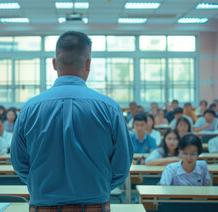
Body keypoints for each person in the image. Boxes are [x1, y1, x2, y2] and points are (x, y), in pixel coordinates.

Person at [11, 31, 133, 209]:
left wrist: (40, 186)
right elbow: (122, 165)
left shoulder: (29, 109)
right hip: (94, 205)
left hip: (44, 206)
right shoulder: (109, 108)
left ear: (54, 63)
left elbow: (19, 163)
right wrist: (99, 187)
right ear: (88, 64)